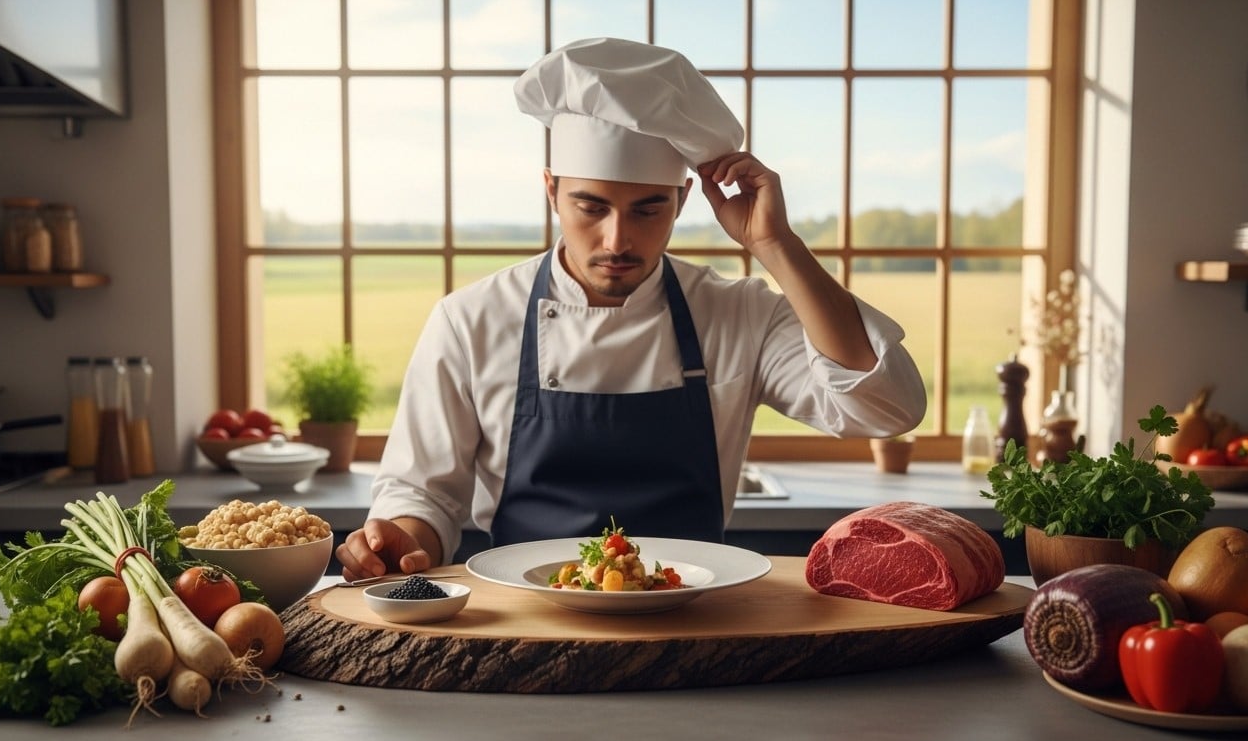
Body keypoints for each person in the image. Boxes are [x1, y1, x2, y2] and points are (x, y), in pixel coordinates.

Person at [336, 37, 926, 580]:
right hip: (524, 619)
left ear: (683, 199)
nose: (618, 240)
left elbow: (884, 409)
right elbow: (423, 495)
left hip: (694, 623)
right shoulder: (470, 320)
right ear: (551, 191)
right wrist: (402, 541)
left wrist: (776, 246)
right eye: (591, 207)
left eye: (647, 210)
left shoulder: (735, 313)